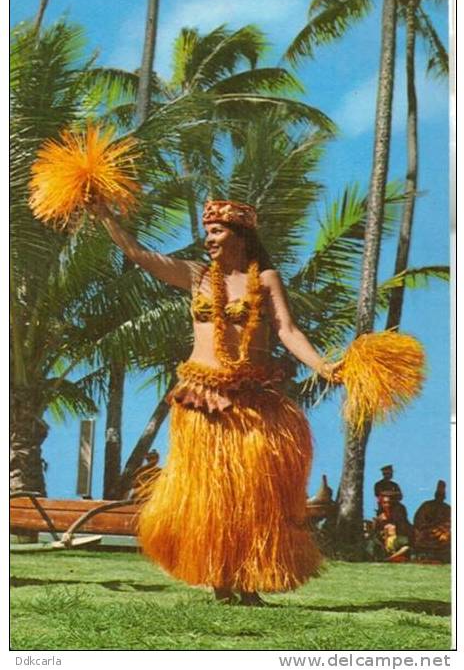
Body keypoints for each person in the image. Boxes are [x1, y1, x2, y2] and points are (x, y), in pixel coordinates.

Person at [91, 198, 341, 606]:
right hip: (201, 398)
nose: (209, 240)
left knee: (253, 493)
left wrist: (323, 366)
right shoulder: (197, 276)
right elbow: (138, 253)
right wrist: (104, 214)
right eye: (207, 232)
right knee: (211, 494)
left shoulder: (266, 280)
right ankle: (219, 578)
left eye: (218, 232)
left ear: (241, 236)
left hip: (252, 399)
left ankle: (250, 579)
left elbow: (287, 331)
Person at [413, 480, 451, 558]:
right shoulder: (426, 505)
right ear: (435, 494)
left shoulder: (447, 508)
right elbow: (418, 520)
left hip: (441, 533)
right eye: (439, 494)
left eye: (442, 494)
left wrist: (441, 529)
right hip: (425, 531)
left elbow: (449, 523)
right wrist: (429, 528)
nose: (440, 496)